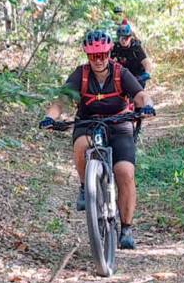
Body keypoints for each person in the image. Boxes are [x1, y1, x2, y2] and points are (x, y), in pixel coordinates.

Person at [39, 30, 155, 249]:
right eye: (94, 55)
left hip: (119, 124)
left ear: (109, 52)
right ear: (87, 55)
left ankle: (126, 229)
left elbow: (140, 95)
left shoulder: (120, 73)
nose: (99, 59)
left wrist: (147, 104)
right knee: (82, 145)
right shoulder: (80, 74)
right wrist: (49, 117)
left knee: (125, 172)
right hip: (87, 123)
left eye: (102, 54)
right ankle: (85, 186)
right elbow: (62, 100)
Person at [111, 19, 154, 88]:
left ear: (130, 37)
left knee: (137, 95)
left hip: (137, 76)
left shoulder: (136, 47)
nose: (123, 40)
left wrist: (146, 73)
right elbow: (109, 61)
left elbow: (146, 62)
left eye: (126, 38)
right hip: (123, 76)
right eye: (121, 38)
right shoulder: (115, 47)